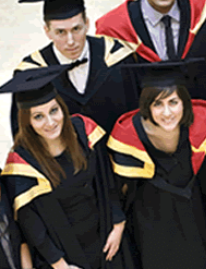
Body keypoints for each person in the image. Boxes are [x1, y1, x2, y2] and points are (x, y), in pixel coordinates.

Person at [0, 66, 135, 269]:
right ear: (27, 122)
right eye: (38, 116)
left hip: (107, 240)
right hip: (65, 255)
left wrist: (118, 224)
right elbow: (32, 225)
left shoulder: (84, 132)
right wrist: (60, 265)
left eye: (54, 111)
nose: (50, 122)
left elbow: (108, 182)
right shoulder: (21, 163)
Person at [107, 61, 206, 269]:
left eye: (173, 102)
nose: (167, 112)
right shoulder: (128, 136)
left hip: (199, 216)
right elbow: (118, 190)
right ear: (147, 105)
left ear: (184, 102)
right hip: (153, 222)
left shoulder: (205, 123)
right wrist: (118, 224)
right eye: (157, 104)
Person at [13, 0, 135, 136]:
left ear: (87, 24)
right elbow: (23, 135)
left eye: (76, 29)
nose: (70, 41)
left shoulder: (118, 58)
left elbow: (136, 117)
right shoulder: (30, 74)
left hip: (117, 157)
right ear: (47, 31)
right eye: (60, 32)